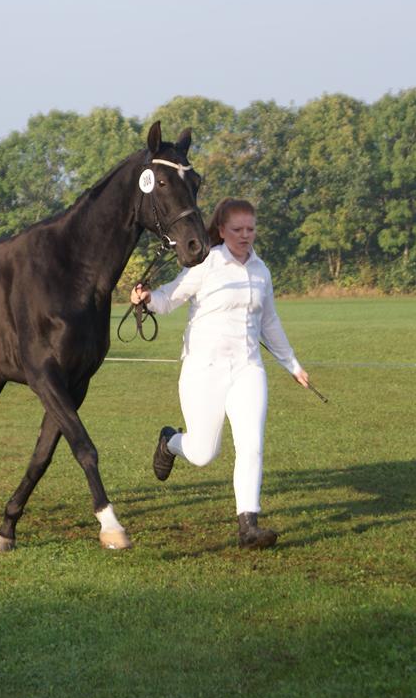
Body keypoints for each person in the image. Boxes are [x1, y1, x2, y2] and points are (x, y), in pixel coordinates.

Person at [130, 198, 309, 549]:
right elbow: (168, 298)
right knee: (203, 453)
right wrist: (146, 298)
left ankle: (248, 527)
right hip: (203, 370)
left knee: (251, 445)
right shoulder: (206, 264)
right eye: (238, 229)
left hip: (248, 369)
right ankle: (170, 441)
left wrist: (292, 365)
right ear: (222, 230)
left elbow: (269, 322)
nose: (245, 235)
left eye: (251, 229)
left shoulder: (261, 271)